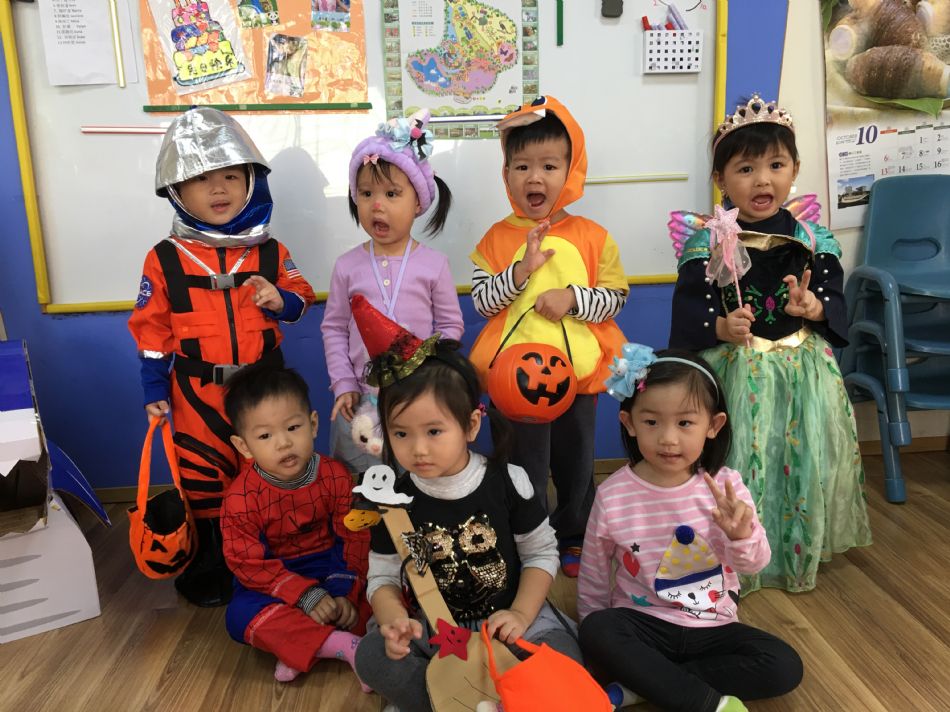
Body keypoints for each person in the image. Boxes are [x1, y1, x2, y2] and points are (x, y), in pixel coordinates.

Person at [668, 94, 871, 593]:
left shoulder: (814, 239)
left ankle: (794, 545)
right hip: (738, 369)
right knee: (744, 455)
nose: (763, 180)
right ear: (721, 179)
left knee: (802, 454)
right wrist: (721, 327)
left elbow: (834, 297)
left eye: (776, 165)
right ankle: (737, 553)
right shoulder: (709, 242)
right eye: (746, 169)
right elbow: (691, 307)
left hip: (804, 370)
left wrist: (814, 308)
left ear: (794, 169)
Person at [348, 295, 582, 712]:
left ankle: (466, 699)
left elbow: (540, 555)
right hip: (440, 631)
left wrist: (521, 615)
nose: (418, 449)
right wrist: (393, 621)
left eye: (434, 431)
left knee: (563, 657)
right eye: (401, 433)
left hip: (510, 621)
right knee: (372, 657)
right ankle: (458, 700)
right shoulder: (393, 501)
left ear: (471, 424)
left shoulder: (508, 482)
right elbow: (382, 577)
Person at [128, 107, 316, 606]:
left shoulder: (271, 251)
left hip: (264, 392)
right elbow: (151, 329)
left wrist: (280, 299)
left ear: (251, 182)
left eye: (231, 176)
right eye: (201, 178)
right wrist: (153, 389)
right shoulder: (164, 257)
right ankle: (214, 563)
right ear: (176, 189)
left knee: (270, 470)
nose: (218, 188)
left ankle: (278, 557)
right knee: (204, 478)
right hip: (196, 394)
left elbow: (301, 296)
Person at [577, 345, 803, 712]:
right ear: (629, 423)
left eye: (684, 423)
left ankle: (647, 685)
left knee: (784, 665)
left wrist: (741, 536)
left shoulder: (726, 487)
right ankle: (703, 702)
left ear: (713, 426)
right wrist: (596, 641)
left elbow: (754, 564)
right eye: (651, 422)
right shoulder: (612, 494)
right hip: (643, 624)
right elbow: (594, 571)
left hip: (713, 627)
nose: (668, 438)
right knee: (596, 629)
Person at [468, 96, 628, 577]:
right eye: (522, 166)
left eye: (549, 166)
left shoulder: (593, 236)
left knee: (577, 462)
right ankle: (528, 537)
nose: (534, 178)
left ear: (570, 170)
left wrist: (573, 298)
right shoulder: (495, 239)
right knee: (522, 465)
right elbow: (482, 302)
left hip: (577, 377)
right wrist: (520, 272)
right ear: (506, 173)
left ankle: (575, 534)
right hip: (512, 381)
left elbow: (615, 297)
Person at [322, 109, 463, 477]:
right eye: (366, 193)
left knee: (417, 479)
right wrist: (343, 384)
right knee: (361, 484)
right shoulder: (346, 266)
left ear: (417, 202)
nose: (377, 205)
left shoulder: (434, 264)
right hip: (360, 399)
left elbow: (450, 327)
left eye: (391, 193)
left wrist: (431, 376)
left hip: (418, 397)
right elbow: (333, 329)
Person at [221, 364, 371, 686]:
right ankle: (343, 645)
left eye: (293, 427)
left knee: (383, 593)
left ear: (313, 424)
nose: (283, 443)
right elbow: (247, 564)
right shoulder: (239, 499)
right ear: (244, 446)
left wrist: (343, 591)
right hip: (276, 578)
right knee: (238, 616)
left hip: (331, 566)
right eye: (265, 436)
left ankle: (301, 645)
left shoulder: (335, 476)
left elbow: (353, 535)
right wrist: (302, 595)